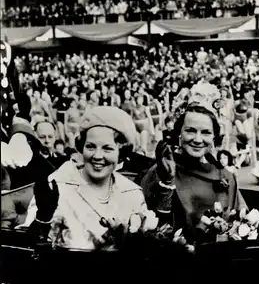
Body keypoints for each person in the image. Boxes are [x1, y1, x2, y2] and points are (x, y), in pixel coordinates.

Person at [21, 106, 157, 250]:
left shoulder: (132, 193)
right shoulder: (56, 185)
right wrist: (43, 218)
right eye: (91, 147)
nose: (97, 156)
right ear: (81, 148)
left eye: (107, 148)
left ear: (121, 153)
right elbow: (29, 248)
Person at [140, 83, 246, 241]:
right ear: (179, 133)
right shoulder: (160, 172)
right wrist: (166, 185)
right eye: (190, 130)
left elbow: (240, 221)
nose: (197, 139)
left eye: (205, 132)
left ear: (213, 137)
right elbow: (147, 228)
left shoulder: (226, 176)